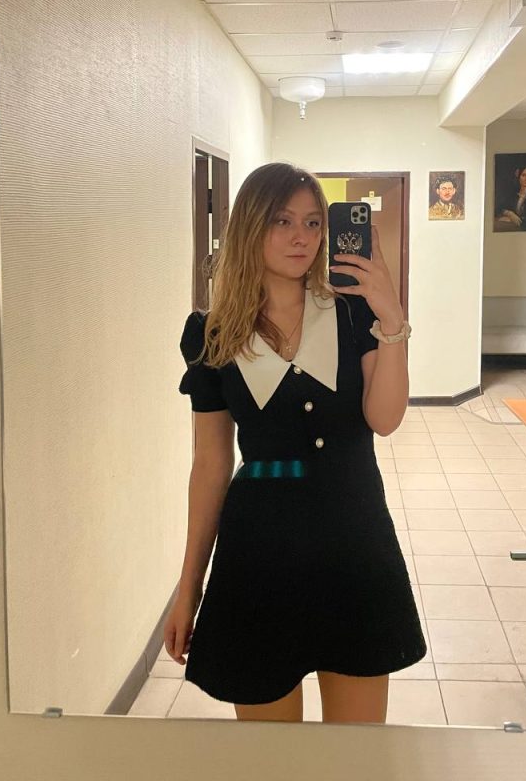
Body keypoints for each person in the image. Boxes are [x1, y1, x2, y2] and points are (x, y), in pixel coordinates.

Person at [163, 162, 426, 724]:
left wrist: (392, 318)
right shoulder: (211, 334)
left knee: (354, 752)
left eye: (312, 222)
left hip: (354, 543)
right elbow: (210, 467)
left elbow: (385, 420)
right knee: (273, 757)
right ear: (249, 227)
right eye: (282, 221)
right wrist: (189, 586)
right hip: (259, 554)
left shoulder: (353, 313)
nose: (301, 237)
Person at [494, 164, 526, 231]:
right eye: (523, 175)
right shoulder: (512, 194)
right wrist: (509, 214)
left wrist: (512, 219)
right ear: (518, 176)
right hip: (512, 229)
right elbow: (498, 208)